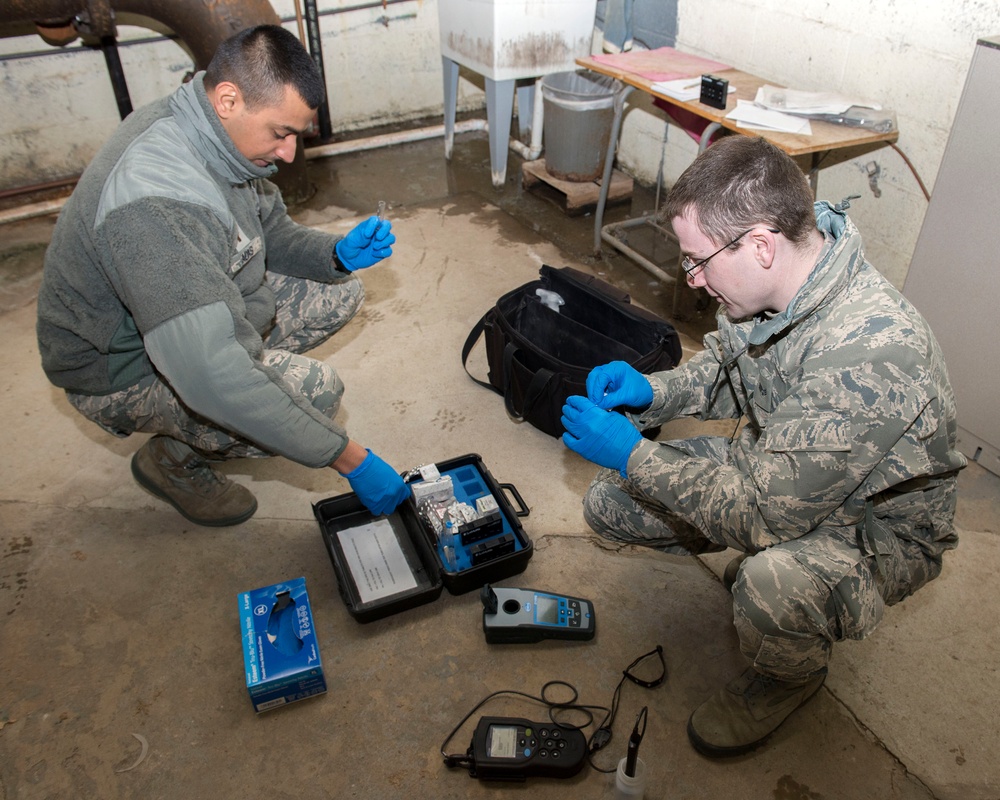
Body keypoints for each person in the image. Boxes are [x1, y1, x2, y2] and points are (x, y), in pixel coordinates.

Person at [561, 135, 966, 757]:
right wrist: (652, 394)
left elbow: (761, 512)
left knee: (770, 580)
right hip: (781, 470)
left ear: (760, 245)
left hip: (875, 528)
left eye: (697, 261)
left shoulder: (871, 354)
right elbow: (729, 366)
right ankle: (772, 579)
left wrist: (634, 452)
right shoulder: (764, 288)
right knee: (610, 504)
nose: (692, 281)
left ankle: (787, 677)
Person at [36, 25, 410, 527]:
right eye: (282, 133)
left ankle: (246, 380)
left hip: (187, 306)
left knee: (337, 290)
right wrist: (349, 459)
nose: (288, 154)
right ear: (229, 99)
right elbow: (210, 376)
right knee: (314, 393)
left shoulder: (218, 136)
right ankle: (172, 459)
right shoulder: (154, 198)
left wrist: (336, 253)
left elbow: (267, 231)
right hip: (119, 367)